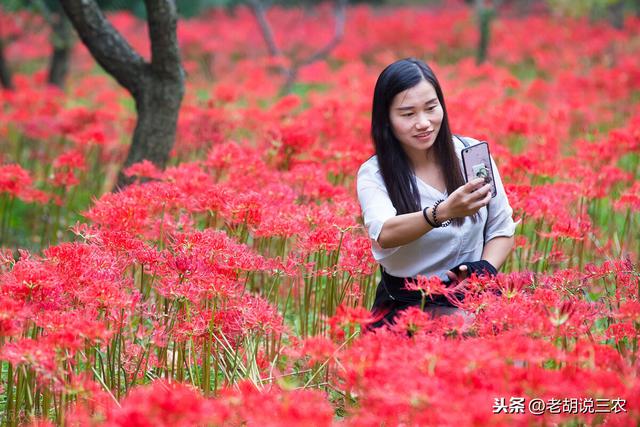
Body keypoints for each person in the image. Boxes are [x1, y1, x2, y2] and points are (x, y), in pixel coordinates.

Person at [357, 58, 516, 330]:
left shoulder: (472, 155)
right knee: (464, 331)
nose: (424, 123)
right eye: (408, 114)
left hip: (472, 297)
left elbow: (501, 229)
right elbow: (384, 233)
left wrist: (484, 270)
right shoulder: (375, 173)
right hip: (408, 307)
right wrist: (442, 213)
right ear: (386, 119)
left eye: (431, 108)